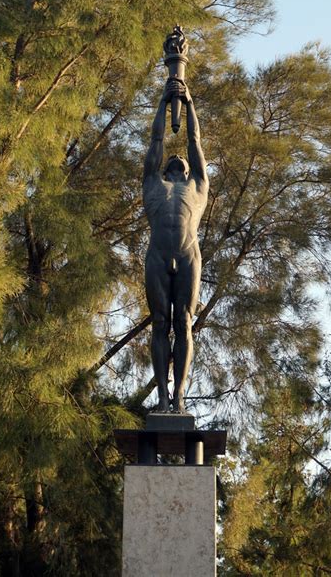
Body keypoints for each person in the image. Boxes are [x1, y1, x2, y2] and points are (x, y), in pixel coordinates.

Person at [143, 79, 208, 412]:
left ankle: (179, 395)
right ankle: (163, 397)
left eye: (180, 162)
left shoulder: (198, 186)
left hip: (187, 255)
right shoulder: (152, 183)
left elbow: (194, 141)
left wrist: (190, 103)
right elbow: (156, 140)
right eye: (172, 162)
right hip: (157, 256)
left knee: (183, 322)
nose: (177, 161)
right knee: (159, 322)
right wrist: (163, 102)